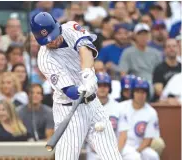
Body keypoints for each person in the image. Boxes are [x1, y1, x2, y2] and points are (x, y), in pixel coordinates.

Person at [30, 12, 122, 160]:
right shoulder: (45, 59)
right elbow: (70, 91)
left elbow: (85, 50)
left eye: (53, 36)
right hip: (68, 108)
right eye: (47, 40)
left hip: (93, 105)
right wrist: (81, 89)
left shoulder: (70, 27)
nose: (51, 41)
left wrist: (87, 74)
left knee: (113, 156)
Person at [87, 72, 141, 160]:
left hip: (116, 146)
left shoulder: (118, 107)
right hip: (95, 149)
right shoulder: (87, 107)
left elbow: (123, 135)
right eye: (99, 85)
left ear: (110, 88)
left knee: (135, 156)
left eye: (105, 85)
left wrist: (116, 152)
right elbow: (87, 135)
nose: (102, 88)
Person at [119, 78, 160, 160]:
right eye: (137, 91)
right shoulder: (121, 106)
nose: (140, 95)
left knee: (153, 156)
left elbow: (148, 140)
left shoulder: (151, 112)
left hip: (138, 147)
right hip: (121, 145)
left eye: (143, 92)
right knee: (135, 157)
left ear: (147, 94)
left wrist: (137, 151)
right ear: (132, 93)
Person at [119, 23, 162, 92]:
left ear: (149, 36)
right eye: (140, 34)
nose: (143, 37)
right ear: (135, 36)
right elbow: (123, 74)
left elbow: (160, 73)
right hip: (135, 83)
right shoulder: (127, 52)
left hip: (154, 83)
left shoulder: (156, 53)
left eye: (145, 34)